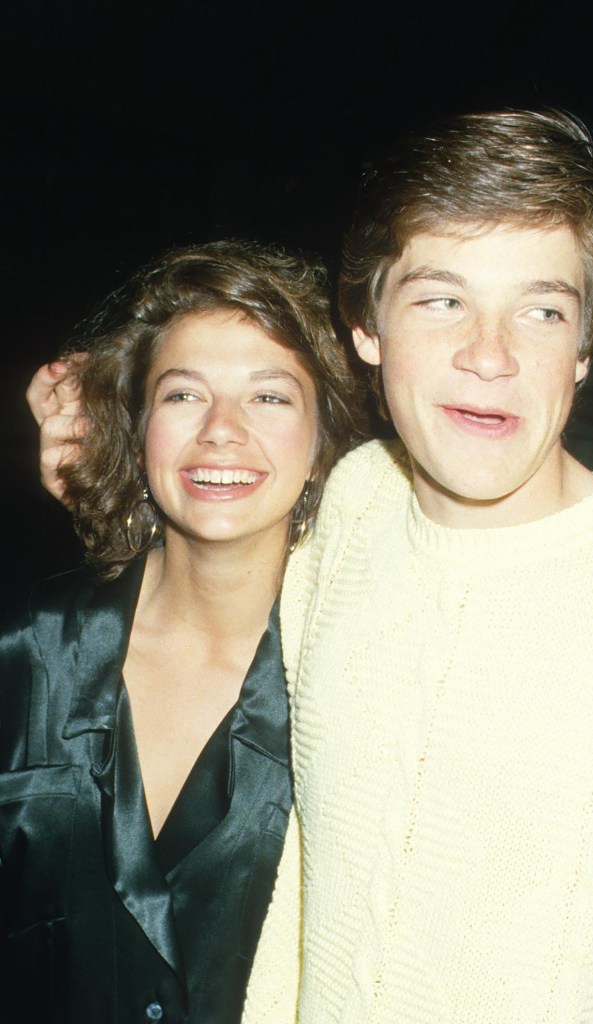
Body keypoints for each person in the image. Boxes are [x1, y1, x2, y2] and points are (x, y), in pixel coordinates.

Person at [25, 112, 593, 1024]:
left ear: (584, 350)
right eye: (442, 300)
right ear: (367, 330)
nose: (490, 354)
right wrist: (97, 474)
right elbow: (211, 567)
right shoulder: (353, 505)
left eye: (542, 310)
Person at [2, 239, 360, 1024]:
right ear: (135, 426)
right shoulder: (27, 651)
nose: (221, 431)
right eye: (183, 396)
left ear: (324, 438)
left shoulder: (363, 682)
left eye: (270, 397)